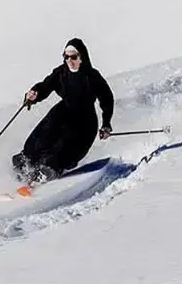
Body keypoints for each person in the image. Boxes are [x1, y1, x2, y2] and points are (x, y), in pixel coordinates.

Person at [12, 38, 114, 184]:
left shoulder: (91, 76)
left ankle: (49, 170)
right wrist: (34, 94)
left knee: (66, 144)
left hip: (84, 120)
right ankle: (26, 165)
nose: (69, 60)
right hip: (63, 112)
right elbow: (45, 86)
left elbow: (107, 99)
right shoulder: (61, 73)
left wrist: (106, 124)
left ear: (81, 57)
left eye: (73, 57)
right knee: (43, 133)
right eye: (66, 56)